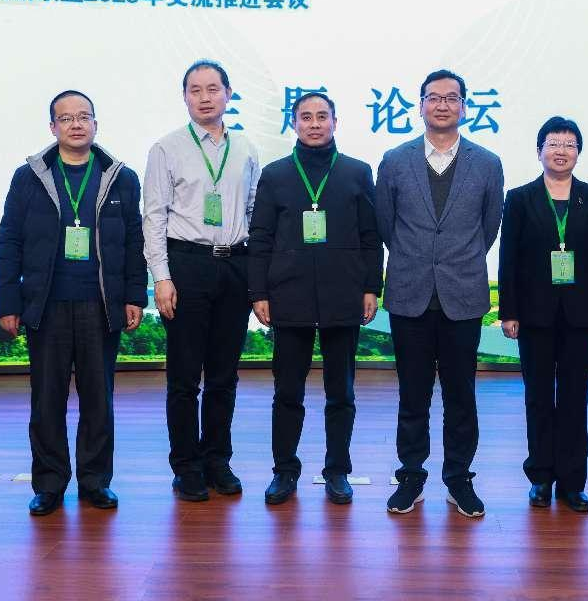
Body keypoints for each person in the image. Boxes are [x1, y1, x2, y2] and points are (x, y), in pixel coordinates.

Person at [0, 90, 147, 516]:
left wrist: (135, 295)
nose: (76, 124)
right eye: (66, 118)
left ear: (96, 123)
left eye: (83, 116)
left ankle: (95, 482)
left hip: (101, 305)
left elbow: (134, 243)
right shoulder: (28, 177)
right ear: (53, 127)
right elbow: (9, 241)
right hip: (47, 305)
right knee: (47, 400)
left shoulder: (121, 177)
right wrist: (8, 302)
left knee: (99, 399)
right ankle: (49, 484)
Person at [375, 69, 505, 518]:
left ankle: (458, 478)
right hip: (409, 291)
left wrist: (455, 259)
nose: (443, 104)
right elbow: (386, 225)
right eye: (434, 97)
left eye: (452, 97)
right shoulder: (395, 160)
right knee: (412, 393)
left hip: (462, 294)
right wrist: (418, 258)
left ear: (464, 106)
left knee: (460, 395)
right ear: (421, 105)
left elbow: (488, 227)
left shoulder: (487, 163)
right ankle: (411, 476)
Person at [247, 92, 383, 506]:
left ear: (335, 122)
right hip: (289, 295)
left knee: (341, 392)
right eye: (306, 117)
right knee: (288, 391)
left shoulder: (357, 172)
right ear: (294, 123)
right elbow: (260, 239)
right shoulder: (275, 174)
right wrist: (259, 292)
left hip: (344, 294)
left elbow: (371, 237)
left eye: (322, 116)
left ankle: (337, 470)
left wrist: (371, 288)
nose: (314, 124)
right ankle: (284, 470)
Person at [143, 61, 261, 502]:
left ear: (229, 94)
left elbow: (253, 212)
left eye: (213, 89)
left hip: (234, 265)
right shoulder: (166, 148)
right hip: (186, 265)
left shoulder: (246, 148)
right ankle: (186, 465)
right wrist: (162, 277)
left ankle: (217, 460)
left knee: (224, 376)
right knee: (184, 377)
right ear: (185, 97)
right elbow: (154, 217)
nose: (205, 97)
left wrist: (255, 276)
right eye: (195, 90)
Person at [498, 116, 588, 513]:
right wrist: (509, 311)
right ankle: (540, 477)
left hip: (582, 314)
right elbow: (509, 259)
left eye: (569, 144)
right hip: (534, 314)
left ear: (578, 152)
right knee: (537, 397)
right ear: (539, 152)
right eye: (553, 144)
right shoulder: (519, 198)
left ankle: (572, 482)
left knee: (574, 398)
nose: (561, 151)